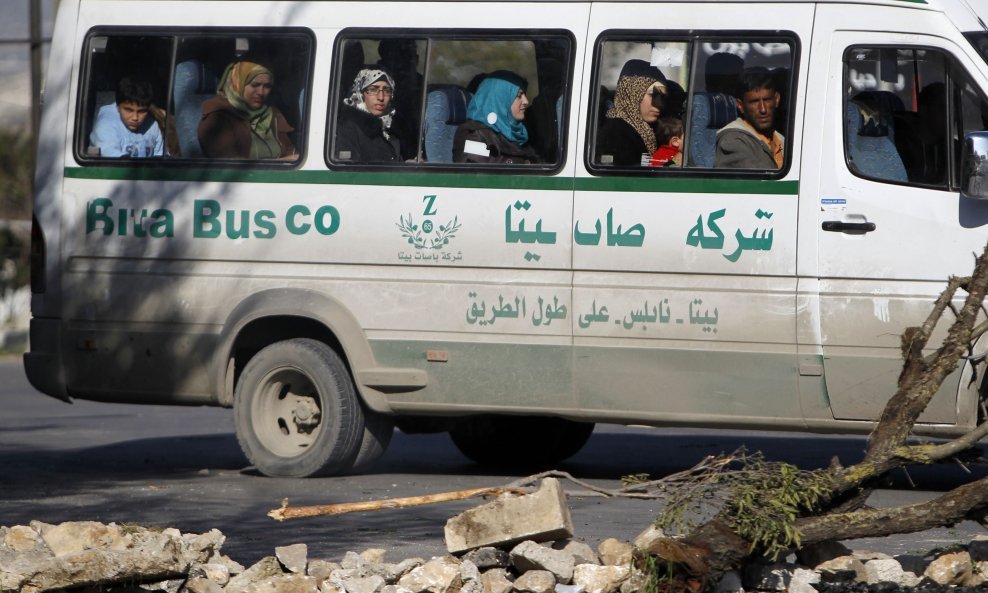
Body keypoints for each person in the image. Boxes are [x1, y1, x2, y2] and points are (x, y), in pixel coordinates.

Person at [198, 60, 296, 159]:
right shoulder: (217, 118)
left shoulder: (271, 113)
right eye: (254, 85)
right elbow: (231, 169)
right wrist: (282, 163)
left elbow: (289, 150)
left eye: (267, 86)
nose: (261, 92)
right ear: (238, 83)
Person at [453, 70, 539, 164]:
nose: (526, 101)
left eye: (525, 94)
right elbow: (477, 174)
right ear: (500, 99)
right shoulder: (473, 134)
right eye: (519, 96)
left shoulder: (519, 132)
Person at [595, 59, 668, 166]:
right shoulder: (615, 133)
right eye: (653, 95)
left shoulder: (648, 129)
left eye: (663, 97)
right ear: (632, 94)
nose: (659, 104)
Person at [714, 67, 784, 169]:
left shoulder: (781, 140)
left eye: (767, 100)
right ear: (740, 105)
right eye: (754, 102)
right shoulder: (732, 141)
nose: (763, 109)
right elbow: (763, 182)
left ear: (777, 99)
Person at [335, 68, 402, 162]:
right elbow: (349, 173)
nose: (381, 97)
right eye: (373, 90)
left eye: (387, 90)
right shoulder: (349, 128)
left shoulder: (391, 128)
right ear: (360, 94)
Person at [89, 77, 164, 158]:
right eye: (129, 110)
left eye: (142, 111)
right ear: (118, 107)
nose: (135, 118)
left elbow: (159, 157)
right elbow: (114, 160)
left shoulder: (152, 125)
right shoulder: (106, 125)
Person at [377, 39, 423, 161]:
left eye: (410, 57)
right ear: (384, 62)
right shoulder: (372, 91)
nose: (403, 66)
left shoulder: (423, 88)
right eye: (398, 59)